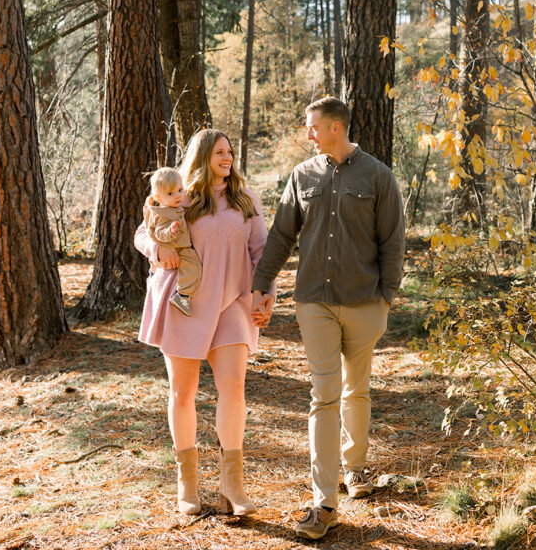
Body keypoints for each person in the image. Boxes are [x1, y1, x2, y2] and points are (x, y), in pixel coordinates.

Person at [251, 96, 405, 540]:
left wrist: (386, 300)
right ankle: (324, 502)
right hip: (314, 300)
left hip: (364, 302)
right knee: (324, 395)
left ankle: (355, 470)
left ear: (335, 127)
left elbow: (392, 242)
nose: (308, 135)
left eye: (312, 127)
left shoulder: (378, 176)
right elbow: (282, 235)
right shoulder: (303, 176)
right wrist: (262, 284)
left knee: (357, 388)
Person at [134, 129, 274, 517]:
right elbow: (143, 232)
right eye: (219, 152)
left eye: (230, 152)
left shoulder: (246, 201)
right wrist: (157, 248)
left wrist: (267, 295)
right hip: (186, 303)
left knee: (234, 389)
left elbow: (261, 252)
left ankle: (233, 486)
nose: (227, 158)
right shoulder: (182, 197)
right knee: (183, 392)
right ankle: (188, 484)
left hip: (233, 303)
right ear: (202, 156)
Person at [144, 167, 202, 316]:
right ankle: (182, 295)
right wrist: (170, 232)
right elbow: (158, 233)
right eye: (171, 193)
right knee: (193, 267)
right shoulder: (163, 214)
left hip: (180, 246)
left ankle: (183, 294)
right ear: (159, 198)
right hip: (177, 248)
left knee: (193, 266)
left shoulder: (174, 207)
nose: (178, 196)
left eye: (180, 190)